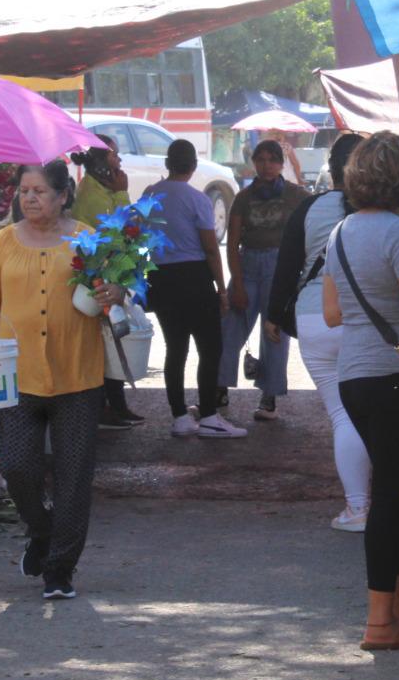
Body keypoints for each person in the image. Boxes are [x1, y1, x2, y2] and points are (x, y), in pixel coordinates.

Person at [321, 132, 399, 650]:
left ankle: (396, 605)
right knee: (395, 498)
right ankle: (380, 622)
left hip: (356, 374)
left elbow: (333, 312)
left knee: (394, 492)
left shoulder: (341, 232)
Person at [0, 162, 124, 601]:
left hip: (77, 374)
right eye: (24, 190)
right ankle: (41, 532)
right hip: (19, 377)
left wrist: (114, 293)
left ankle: (60, 569)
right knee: (17, 466)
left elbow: (112, 296)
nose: (29, 199)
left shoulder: (87, 239)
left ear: (63, 195)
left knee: (73, 476)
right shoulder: (4, 241)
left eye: (40, 191)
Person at [265, 133, 369, 532]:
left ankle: (359, 508)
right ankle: (385, 506)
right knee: (371, 414)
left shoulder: (310, 209)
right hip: (369, 320)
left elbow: (287, 265)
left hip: (315, 318)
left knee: (343, 415)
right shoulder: (386, 211)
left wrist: (274, 316)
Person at [142, 140, 246, 439]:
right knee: (209, 347)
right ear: (193, 166)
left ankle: (179, 416)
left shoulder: (150, 194)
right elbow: (211, 249)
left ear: (167, 163)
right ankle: (210, 414)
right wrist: (222, 290)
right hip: (194, 276)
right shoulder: (197, 199)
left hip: (161, 276)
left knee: (175, 348)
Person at [218, 139, 309, 422]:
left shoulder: (298, 196)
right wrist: (239, 283)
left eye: (272, 160)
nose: (266, 165)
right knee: (229, 330)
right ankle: (219, 389)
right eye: (261, 159)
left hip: (280, 267)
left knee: (274, 333)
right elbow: (232, 244)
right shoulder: (243, 198)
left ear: (282, 164)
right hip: (248, 265)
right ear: (253, 163)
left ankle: (269, 396)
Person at [70, 134, 142, 429]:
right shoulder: (92, 194)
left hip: (110, 273)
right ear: (101, 160)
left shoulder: (102, 188)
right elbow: (120, 230)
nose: (119, 160)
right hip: (97, 277)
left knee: (114, 339)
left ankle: (117, 405)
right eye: (114, 155)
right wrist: (123, 192)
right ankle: (105, 409)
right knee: (106, 342)